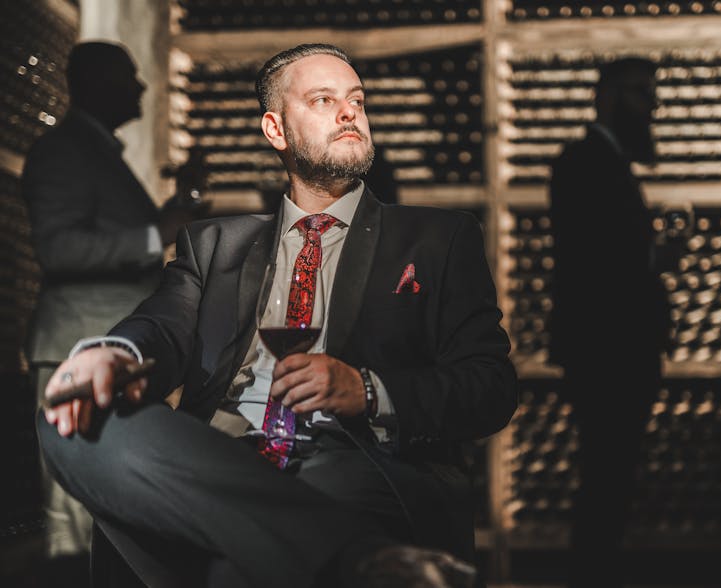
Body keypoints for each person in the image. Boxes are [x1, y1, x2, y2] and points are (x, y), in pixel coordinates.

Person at [36, 42, 517, 588]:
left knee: (266, 535)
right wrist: (114, 353)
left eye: (357, 100)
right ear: (275, 130)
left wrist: (367, 389)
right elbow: (162, 323)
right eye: (322, 99)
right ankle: (356, 562)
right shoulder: (214, 243)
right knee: (72, 420)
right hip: (217, 458)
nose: (349, 112)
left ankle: (311, 551)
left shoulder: (437, 238)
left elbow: (491, 388)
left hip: (352, 458)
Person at [20, 40, 203, 578]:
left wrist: (182, 205)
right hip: (76, 349)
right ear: (95, 82)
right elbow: (59, 250)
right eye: (130, 76)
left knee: (111, 506)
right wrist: (158, 233)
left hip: (111, 350)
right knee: (74, 516)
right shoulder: (60, 151)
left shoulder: (98, 152)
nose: (143, 87)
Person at [547, 57, 670, 588]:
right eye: (644, 94)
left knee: (610, 476)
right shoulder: (587, 161)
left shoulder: (606, 161)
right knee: (606, 477)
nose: (654, 107)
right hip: (610, 353)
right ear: (609, 98)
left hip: (611, 349)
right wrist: (650, 259)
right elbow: (598, 262)